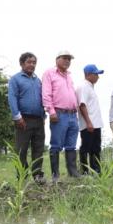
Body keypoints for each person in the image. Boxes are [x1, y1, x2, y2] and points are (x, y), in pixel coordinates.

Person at [42, 50, 80, 181]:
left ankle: (72, 172)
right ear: (57, 59)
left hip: (72, 115)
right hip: (59, 113)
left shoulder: (68, 76)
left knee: (71, 145)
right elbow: (46, 94)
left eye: (69, 59)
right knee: (56, 144)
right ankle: (55, 174)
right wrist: (51, 111)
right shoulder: (49, 73)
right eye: (65, 58)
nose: (67, 61)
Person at [7, 52, 46, 183]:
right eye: (29, 62)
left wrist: (44, 116)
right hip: (23, 119)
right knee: (21, 150)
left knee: (39, 148)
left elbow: (42, 98)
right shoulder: (15, 79)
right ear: (22, 63)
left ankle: (37, 175)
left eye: (34, 62)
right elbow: (12, 98)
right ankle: (22, 176)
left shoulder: (38, 80)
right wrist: (17, 117)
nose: (32, 65)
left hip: (39, 119)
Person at [76, 64, 104, 175]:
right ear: (88, 74)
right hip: (89, 124)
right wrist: (88, 122)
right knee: (86, 148)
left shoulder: (90, 87)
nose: (98, 76)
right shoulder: (83, 86)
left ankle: (96, 171)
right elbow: (82, 105)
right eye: (96, 74)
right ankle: (85, 171)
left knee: (96, 149)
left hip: (96, 124)